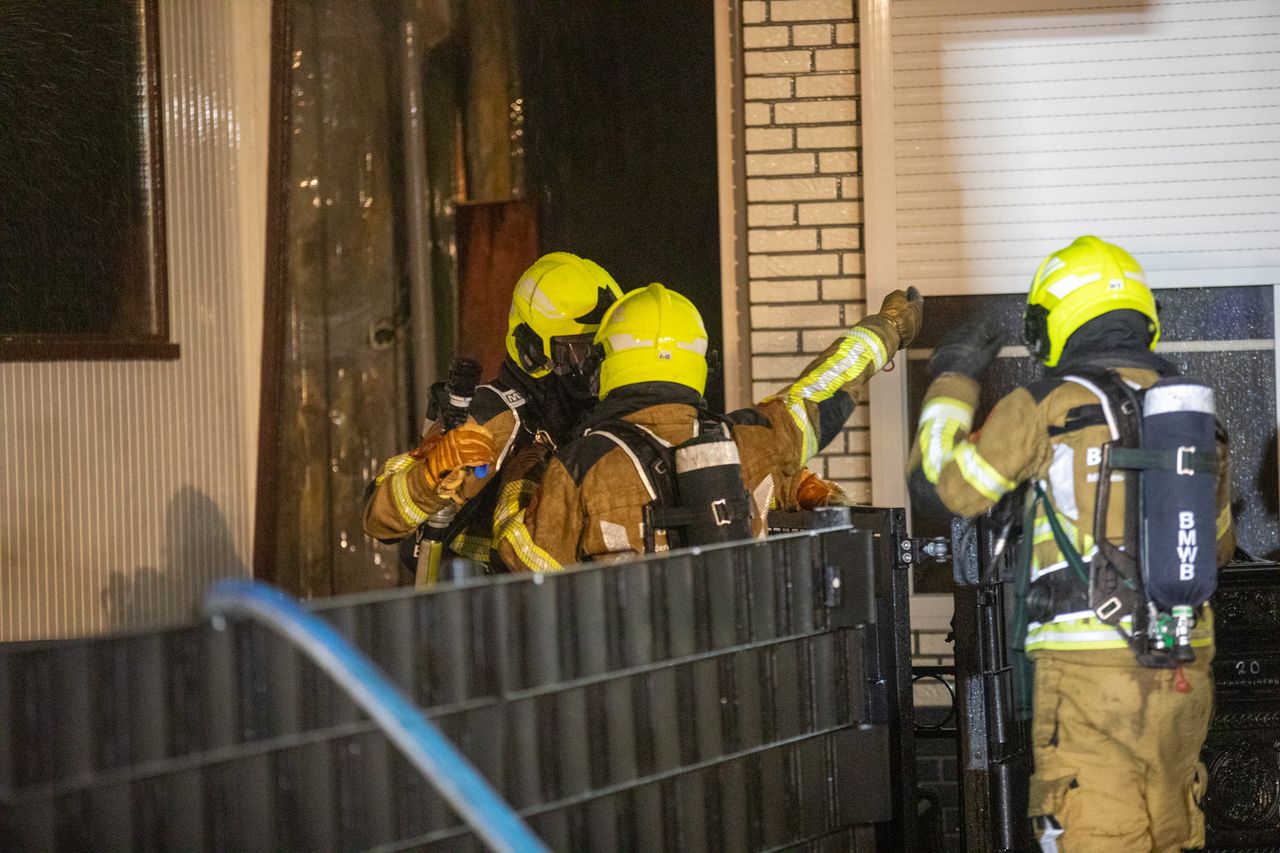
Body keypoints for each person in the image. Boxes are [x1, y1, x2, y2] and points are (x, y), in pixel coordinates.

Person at [908, 236, 1234, 852]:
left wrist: (954, 378)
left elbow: (940, 487)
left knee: (1093, 834)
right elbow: (1216, 550)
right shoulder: (1196, 420)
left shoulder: (1048, 405)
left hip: (1089, 681)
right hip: (1184, 669)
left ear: (1054, 321)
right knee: (1172, 834)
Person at [497, 282, 922, 571]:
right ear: (700, 362)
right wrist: (888, 328)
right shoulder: (749, 442)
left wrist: (524, 474)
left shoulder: (581, 465)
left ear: (604, 363)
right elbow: (823, 388)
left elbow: (527, 559)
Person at [362, 251, 622, 578]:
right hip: (486, 597)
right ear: (531, 350)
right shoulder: (494, 417)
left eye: (602, 347)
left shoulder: (601, 411)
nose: (593, 365)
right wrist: (429, 476)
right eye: (579, 350)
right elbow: (378, 519)